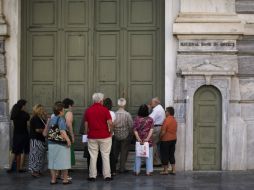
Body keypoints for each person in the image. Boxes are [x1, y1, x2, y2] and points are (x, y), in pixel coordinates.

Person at [84, 93, 113, 181]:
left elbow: (86, 124)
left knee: (93, 156)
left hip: (92, 136)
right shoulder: (105, 110)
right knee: (105, 155)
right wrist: (110, 132)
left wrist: (87, 133)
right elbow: (110, 123)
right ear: (101, 100)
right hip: (105, 136)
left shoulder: (88, 110)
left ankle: (92, 176)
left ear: (94, 100)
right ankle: (107, 175)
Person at [48, 102, 71, 185]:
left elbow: (47, 130)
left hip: (51, 143)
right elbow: (62, 131)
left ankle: (53, 180)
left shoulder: (51, 119)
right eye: (63, 109)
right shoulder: (61, 119)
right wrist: (68, 140)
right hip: (60, 144)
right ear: (61, 111)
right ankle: (65, 179)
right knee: (64, 161)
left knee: (52, 162)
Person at [8, 99, 30, 173]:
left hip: (16, 133)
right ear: (23, 105)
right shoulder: (24, 114)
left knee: (15, 151)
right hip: (23, 133)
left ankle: (10, 166)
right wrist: (26, 111)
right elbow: (27, 121)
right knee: (22, 151)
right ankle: (20, 167)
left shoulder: (14, 113)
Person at [133, 104, 154, 176]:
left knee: (138, 156)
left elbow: (135, 130)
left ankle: (137, 171)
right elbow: (151, 130)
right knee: (149, 156)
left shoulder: (136, 119)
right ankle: (148, 171)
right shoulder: (150, 119)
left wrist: (138, 139)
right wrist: (147, 139)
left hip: (139, 141)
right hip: (148, 141)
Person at [113, 98, 133, 173]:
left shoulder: (115, 114)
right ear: (125, 104)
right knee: (124, 152)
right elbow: (131, 125)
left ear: (118, 104)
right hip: (125, 135)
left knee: (115, 152)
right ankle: (122, 168)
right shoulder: (127, 114)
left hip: (116, 135)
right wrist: (131, 134)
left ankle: (113, 167)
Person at [28, 104, 47, 177]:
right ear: (38, 110)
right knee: (35, 155)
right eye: (42, 109)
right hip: (36, 140)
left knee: (40, 156)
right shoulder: (35, 118)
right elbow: (37, 129)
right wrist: (45, 130)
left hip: (40, 139)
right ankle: (34, 171)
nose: (43, 110)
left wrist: (45, 117)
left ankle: (38, 170)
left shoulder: (41, 118)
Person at [160, 107, 177, 175]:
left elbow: (163, 131)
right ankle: (173, 170)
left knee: (165, 155)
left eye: (166, 111)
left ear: (168, 112)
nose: (165, 112)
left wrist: (160, 136)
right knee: (171, 154)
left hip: (166, 140)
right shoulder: (174, 120)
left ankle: (166, 170)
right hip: (173, 139)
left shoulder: (166, 120)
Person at [149, 97, 165, 166]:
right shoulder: (159, 108)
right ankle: (156, 161)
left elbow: (150, 119)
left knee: (152, 145)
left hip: (156, 128)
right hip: (158, 127)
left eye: (151, 102)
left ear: (155, 103)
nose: (150, 103)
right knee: (155, 145)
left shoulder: (157, 110)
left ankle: (151, 161)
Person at [103, 98, 116, 176]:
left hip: (103, 134)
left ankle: (102, 170)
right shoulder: (113, 113)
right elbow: (113, 124)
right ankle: (112, 170)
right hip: (110, 134)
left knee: (102, 154)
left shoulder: (101, 112)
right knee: (111, 153)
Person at [62, 98, 76, 167]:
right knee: (68, 151)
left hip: (62, 134)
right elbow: (69, 124)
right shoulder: (69, 113)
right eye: (72, 106)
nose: (73, 107)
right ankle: (66, 169)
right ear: (70, 105)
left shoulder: (61, 112)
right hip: (67, 134)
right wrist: (72, 136)